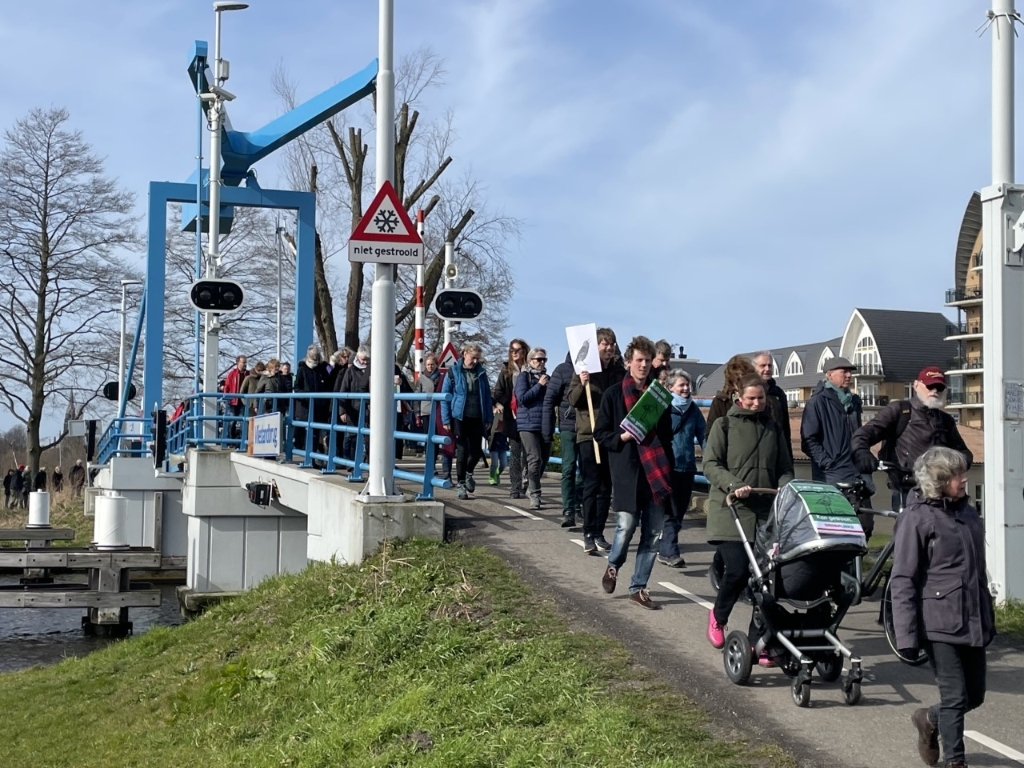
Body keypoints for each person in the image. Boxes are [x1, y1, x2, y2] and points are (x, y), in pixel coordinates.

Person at [890, 446, 995, 768]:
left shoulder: (968, 512)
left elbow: (977, 570)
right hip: (938, 621)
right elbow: (903, 578)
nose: (964, 479)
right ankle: (955, 761)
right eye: (958, 475)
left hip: (973, 617)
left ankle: (928, 719)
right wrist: (906, 637)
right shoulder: (916, 518)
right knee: (954, 697)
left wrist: (988, 616)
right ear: (938, 480)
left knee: (973, 696)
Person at [703, 373, 793, 653]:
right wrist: (735, 485)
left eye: (761, 398)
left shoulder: (773, 429)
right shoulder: (724, 425)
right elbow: (710, 464)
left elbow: (785, 468)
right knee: (739, 571)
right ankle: (718, 617)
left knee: (765, 580)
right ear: (739, 398)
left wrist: (784, 488)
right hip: (731, 510)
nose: (756, 403)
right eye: (751, 398)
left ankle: (759, 640)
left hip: (764, 514)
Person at [594, 335, 674, 609]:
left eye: (647, 361)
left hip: (655, 473)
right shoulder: (614, 394)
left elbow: (666, 437)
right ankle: (613, 565)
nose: (643, 365)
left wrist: (669, 472)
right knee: (626, 525)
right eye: (638, 360)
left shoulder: (658, 397)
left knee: (652, 534)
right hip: (627, 470)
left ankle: (638, 587)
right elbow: (600, 433)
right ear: (628, 362)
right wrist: (623, 438)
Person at [853, 366, 973, 513]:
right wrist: (862, 453)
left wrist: (953, 465)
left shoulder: (945, 420)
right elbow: (863, 434)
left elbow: (964, 453)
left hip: (940, 491)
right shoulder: (899, 410)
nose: (934, 391)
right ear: (916, 385)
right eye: (930, 386)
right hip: (908, 488)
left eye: (939, 387)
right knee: (909, 531)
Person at [800, 356, 873, 537]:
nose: (849, 375)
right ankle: (839, 566)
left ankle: (856, 566)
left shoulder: (853, 402)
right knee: (838, 529)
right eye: (844, 372)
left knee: (865, 527)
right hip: (832, 477)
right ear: (830, 375)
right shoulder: (817, 402)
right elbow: (808, 440)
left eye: (850, 372)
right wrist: (828, 464)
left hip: (858, 474)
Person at [568, 328, 624, 554]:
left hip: (610, 435)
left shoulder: (619, 371)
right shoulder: (582, 368)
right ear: (596, 346)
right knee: (592, 483)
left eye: (611, 344)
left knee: (606, 487)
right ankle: (588, 532)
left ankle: (599, 531)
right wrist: (582, 384)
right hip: (589, 433)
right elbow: (572, 400)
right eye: (604, 344)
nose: (608, 348)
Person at [659, 369, 706, 568]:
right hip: (668, 465)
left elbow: (703, 436)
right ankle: (670, 550)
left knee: (680, 511)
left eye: (687, 385)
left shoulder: (693, 409)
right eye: (681, 385)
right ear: (670, 388)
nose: (686, 388)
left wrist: (712, 458)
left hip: (687, 466)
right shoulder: (663, 407)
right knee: (672, 509)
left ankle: (665, 546)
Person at [440, 343, 493, 500]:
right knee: (462, 450)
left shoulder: (481, 373)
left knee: (476, 451)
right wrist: (446, 419)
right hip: (460, 416)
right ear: (464, 354)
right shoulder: (454, 372)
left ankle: (469, 473)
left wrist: (488, 417)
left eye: (478, 358)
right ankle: (461, 484)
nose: (476, 361)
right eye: (473, 358)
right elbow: (445, 397)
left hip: (477, 416)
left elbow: (487, 397)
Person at [543, 352, 583, 529]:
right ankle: (569, 509)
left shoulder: (595, 370)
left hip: (588, 427)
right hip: (569, 425)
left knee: (586, 469)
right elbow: (550, 399)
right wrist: (547, 428)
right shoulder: (562, 370)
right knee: (568, 467)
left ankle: (580, 504)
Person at [514, 348, 550, 511]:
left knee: (543, 459)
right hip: (527, 424)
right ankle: (535, 493)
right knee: (534, 458)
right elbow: (522, 399)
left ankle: (528, 479)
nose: (541, 363)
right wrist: (540, 386)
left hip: (544, 423)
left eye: (544, 360)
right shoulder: (524, 376)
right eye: (538, 359)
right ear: (530, 361)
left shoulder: (548, 378)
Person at [492, 340, 530, 499]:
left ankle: (528, 484)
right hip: (512, 417)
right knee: (515, 453)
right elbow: (498, 392)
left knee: (530, 455)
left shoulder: (530, 369)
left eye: (518, 350)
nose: (514, 353)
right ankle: (515, 487)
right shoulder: (506, 371)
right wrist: (509, 402)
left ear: (524, 351)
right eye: (512, 350)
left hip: (529, 417)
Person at [752, 350, 792, 460]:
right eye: (763, 366)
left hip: (778, 450)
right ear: (754, 368)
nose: (767, 369)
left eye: (770, 365)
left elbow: (785, 428)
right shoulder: (747, 394)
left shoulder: (779, 393)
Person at [336, 346, 371, 461]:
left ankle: (369, 461)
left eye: (367, 359)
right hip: (353, 409)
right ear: (357, 358)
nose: (365, 362)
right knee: (353, 437)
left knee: (369, 437)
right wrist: (342, 411)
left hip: (369, 408)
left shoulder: (373, 369)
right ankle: (351, 463)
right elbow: (343, 390)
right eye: (363, 359)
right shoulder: (350, 371)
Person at [293, 345, 329, 457]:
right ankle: (310, 456)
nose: (315, 358)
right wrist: (306, 397)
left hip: (320, 406)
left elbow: (330, 381)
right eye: (313, 356)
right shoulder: (302, 369)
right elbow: (297, 388)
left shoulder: (323, 368)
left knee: (319, 431)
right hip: (307, 406)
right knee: (310, 433)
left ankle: (318, 455)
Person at [706, 355, 758, 434]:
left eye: (746, 378)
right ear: (731, 381)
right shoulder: (720, 402)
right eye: (738, 380)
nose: (742, 383)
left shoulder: (758, 399)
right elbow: (710, 433)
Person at [413, 353, 441, 457]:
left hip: (438, 412)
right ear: (425, 365)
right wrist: (417, 414)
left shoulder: (441, 378)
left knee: (436, 438)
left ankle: (434, 459)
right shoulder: (421, 379)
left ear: (436, 365)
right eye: (428, 364)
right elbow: (417, 397)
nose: (430, 366)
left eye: (432, 364)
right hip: (425, 412)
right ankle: (429, 461)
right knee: (428, 438)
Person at [223, 355, 247, 439]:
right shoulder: (232, 374)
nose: (245, 364)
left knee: (243, 421)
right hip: (233, 401)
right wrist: (225, 398)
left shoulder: (247, 374)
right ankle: (230, 440)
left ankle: (241, 440)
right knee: (232, 421)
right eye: (243, 362)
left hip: (243, 401)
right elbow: (227, 386)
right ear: (238, 363)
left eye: (245, 362)